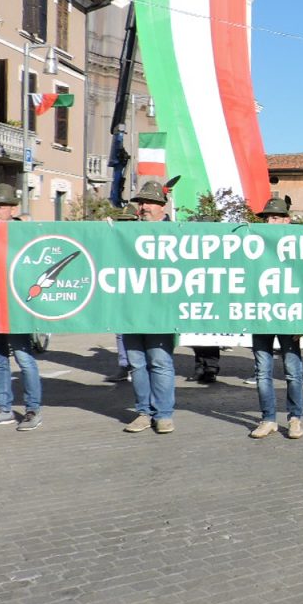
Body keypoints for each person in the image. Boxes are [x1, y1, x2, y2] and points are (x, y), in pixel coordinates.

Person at [0, 184, 43, 431]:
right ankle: (3, 409)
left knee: (24, 359)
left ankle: (33, 410)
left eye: (0, 206)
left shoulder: (23, 232)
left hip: (16, 306)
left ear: (13, 209)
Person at [244, 197, 303, 439]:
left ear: (287, 220)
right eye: (267, 218)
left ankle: (295, 419)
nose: (269, 222)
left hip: (290, 316)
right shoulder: (254, 244)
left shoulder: (300, 246)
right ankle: (268, 418)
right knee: (262, 371)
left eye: (275, 217)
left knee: (293, 371)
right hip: (261, 316)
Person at [121, 180, 177, 435]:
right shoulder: (127, 232)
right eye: (141, 202)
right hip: (131, 311)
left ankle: (163, 414)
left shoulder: (177, 233)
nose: (143, 207)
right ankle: (144, 412)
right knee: (136, 364)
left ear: (162, 206)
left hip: (161, 311)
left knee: (160, 361)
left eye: (149, 202)